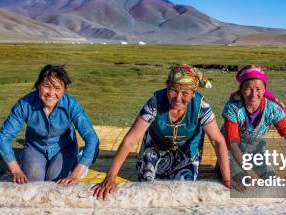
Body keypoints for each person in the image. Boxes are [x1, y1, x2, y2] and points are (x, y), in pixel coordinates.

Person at [93, 64, 235, 200]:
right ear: (167, 86)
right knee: (147, 183)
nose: (178, 98)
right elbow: (130, 140)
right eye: (173, 90)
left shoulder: (201, 107)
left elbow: (218, 141)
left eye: (185, 93)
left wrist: (227, 179)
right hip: (156, 146)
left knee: (183, 189)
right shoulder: (154, 102)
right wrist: (110, 177)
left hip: (187, 150)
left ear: (193, 93)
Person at [0, 64, 99, 184]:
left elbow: (92, 139)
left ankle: (78, 162)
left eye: (57, 88)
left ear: (64, 90)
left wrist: (75, 175)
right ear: (38, 86)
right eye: (47, 86)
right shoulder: (24, 104)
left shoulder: (72, 105)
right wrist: (15, 170)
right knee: (33, 182)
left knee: (55, 182)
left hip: (64, 148)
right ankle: (22, 158)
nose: (51, 93)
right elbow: (3, 137)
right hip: (35, 148)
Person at [222, 65, 286, 180]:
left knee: (270, 180)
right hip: (232, 152)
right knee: (242, 180)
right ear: (241, 90)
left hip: (257, 149)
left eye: (258, 89)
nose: (253, 94)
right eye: (248, 89)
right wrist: (250, 173)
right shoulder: (233, 108)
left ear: (264, 90)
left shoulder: (272, 109)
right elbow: (232, 144)